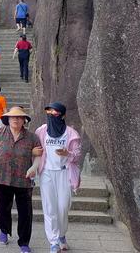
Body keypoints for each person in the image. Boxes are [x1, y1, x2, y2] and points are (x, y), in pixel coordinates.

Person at [0, 107, 41, 253]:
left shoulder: (32, 137)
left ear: (24, 120)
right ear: (7, 119)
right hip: (2, 177)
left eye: (19, 117)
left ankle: (24, 242)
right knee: (2, 208)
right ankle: (4, 230)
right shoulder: (0, 133)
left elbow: (39, 155)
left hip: (24, 179)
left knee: (25, 212)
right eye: (13, 117)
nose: (16, 119)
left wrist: (34, 167)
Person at [31, 102, 82, 253]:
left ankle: (62, 234)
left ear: (63, 115)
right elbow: (35, 149)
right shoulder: (42, 130)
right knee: (49, 208)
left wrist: (68, 154)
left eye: (55, 113)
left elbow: (77, 156)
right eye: (49, 113)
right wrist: (34, 155)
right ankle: (53, 241)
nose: (52, 116)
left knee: (63, 207)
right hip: (46, 172)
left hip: (64, 172)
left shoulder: (71, 133)